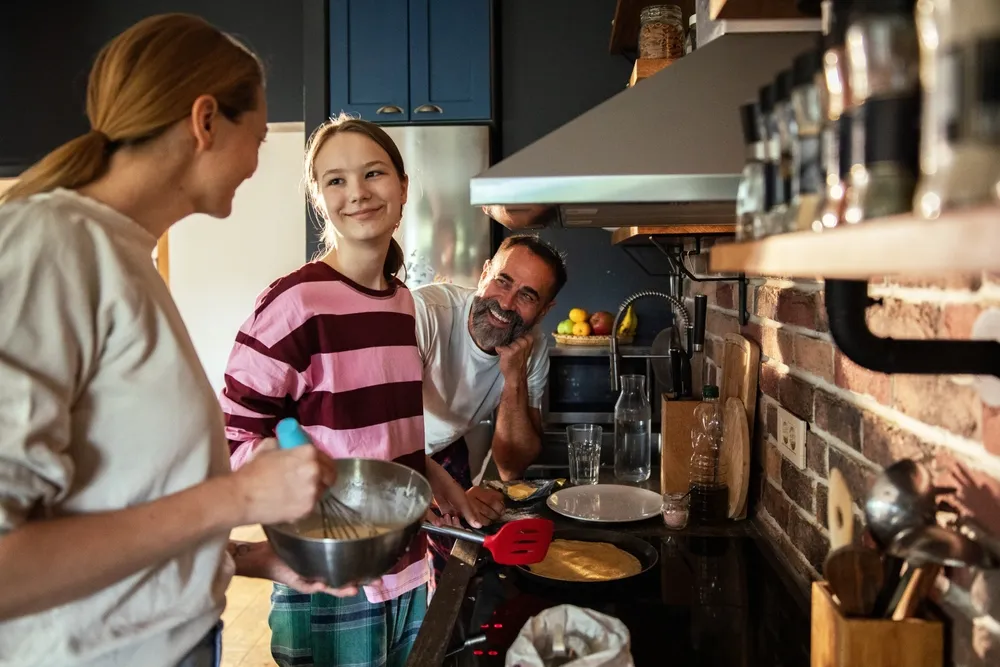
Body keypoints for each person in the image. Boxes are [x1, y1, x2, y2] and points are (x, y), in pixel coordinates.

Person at [0, 14, 340, 667]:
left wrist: (245, 556)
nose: (255, 164)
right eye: (258, 139)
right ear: (205, 121)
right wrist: (241, 496)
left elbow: (119, 500)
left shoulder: (122, 253)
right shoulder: (52, 246)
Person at [218, 114, 483, 667]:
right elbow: (233, 436)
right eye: (335, 180)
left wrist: (438, 480)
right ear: (319, 199)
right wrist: (296, 487)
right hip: (328, 578)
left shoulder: (402, 303)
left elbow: (379, 429)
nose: (357, 192)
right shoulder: (295, 305)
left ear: (403, 187)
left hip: (408, 566)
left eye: (373, 173)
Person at [412, 235, 568, 578]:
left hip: (443, 447)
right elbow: (378, 425)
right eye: (503, 281)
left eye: (527, 295)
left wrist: (514, 379)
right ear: (484, 274)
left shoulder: (532, 347)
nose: (507, 303)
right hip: (387, 450)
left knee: (457, 569)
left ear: (544, 310)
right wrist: (432, 490)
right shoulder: (424, 314)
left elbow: (512, 466)